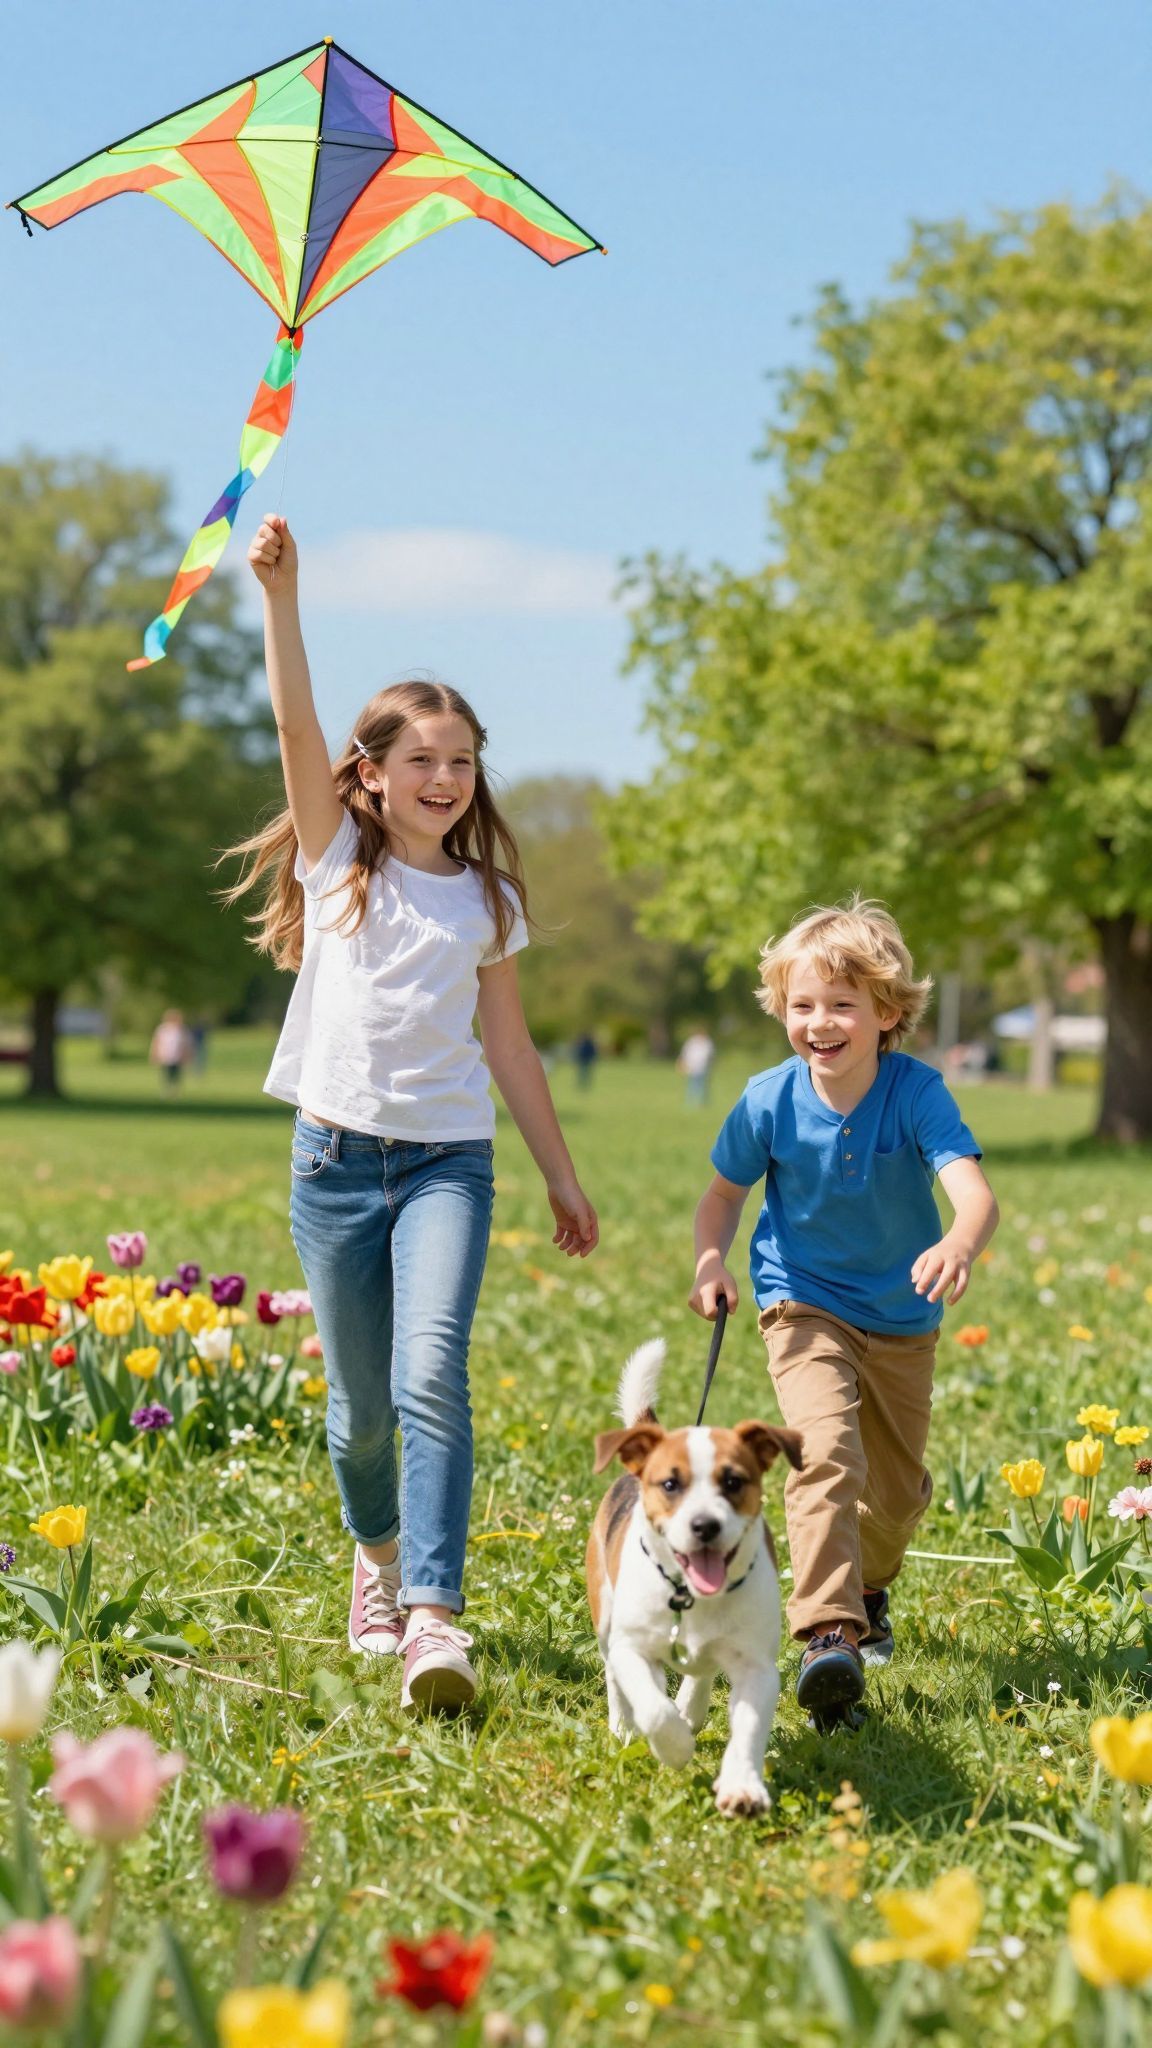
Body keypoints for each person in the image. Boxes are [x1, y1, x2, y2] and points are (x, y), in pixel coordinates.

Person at [225, 513, 599, 1714]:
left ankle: (433, 1609)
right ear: (372, 772)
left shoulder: (488, 898)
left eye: (464, 760)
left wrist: (560, 1173)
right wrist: (282, 596)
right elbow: (294, 725)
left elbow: (511, 1046)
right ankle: (377, 1560)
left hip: (448, 1162)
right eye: (423, 758)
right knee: (360, 1410)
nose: (446, 778)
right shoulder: (340, 857)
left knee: (432, 1366)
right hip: (334, 1160)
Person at [688, 898, 998, 1725]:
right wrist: (712, 1260)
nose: (818, 1023)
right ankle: (829, 1632)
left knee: (892, 1500)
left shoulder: (916, 1092)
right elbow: (721, 1198)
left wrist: (959, 1243)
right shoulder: (767, 1100)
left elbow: (973, 1193)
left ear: (887, 1012)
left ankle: (869, 1588)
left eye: (841, 1004)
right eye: (802, 1005)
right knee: (823, 1453)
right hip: (803, 1300)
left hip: (903, 1316)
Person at [149, 1009, 191, 1089]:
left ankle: (175, 1088)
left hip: (178, 1056)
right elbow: (156, 1042)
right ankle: (167, 1088)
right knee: (166, 1073)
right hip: (165, 1056)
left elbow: (186, 1044)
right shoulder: (162, 1029)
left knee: (176, 1074)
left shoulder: (182, 1030)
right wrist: (154, 1054)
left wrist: (187, 1055)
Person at [677, 1027, 716, 1105]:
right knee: (692, 1084)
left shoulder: (707, 1043)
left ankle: (701, 1102)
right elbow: (685, 1053)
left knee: (703, 1085)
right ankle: (691, 1102)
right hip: (692, 1067)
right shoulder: (692, 1042)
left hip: (704, 1067)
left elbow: (711, 1055)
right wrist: (682, 1063)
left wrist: (711, 1064)